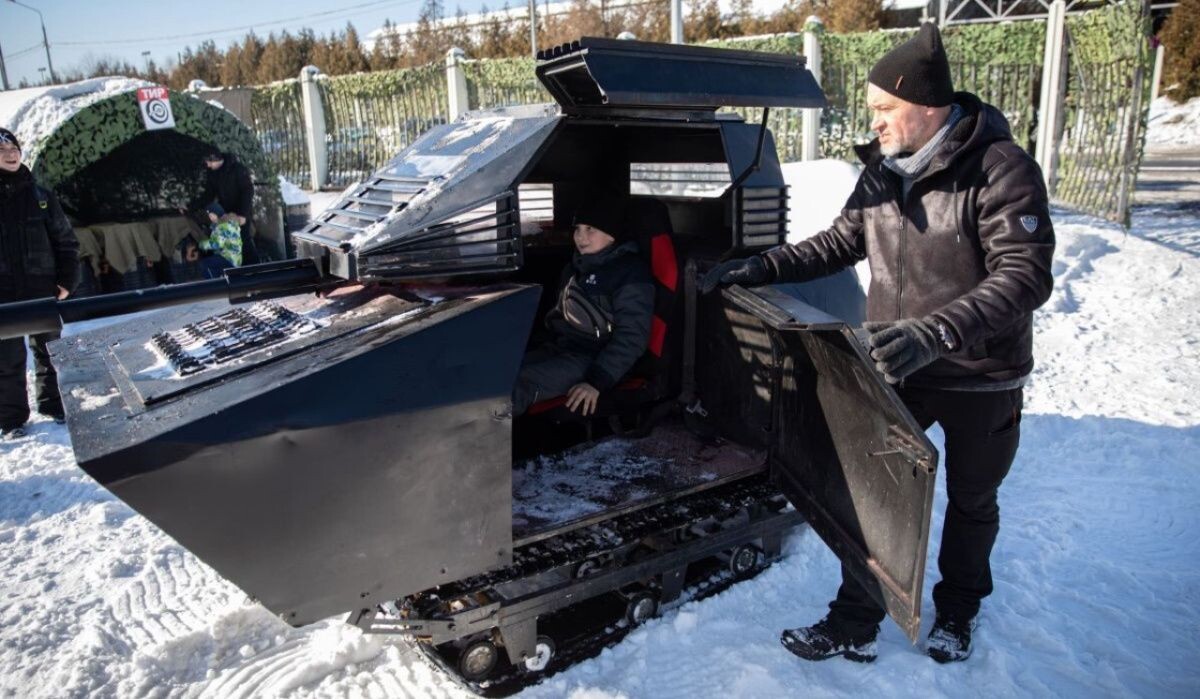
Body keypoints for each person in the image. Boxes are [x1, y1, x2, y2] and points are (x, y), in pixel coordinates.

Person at [702, 23, 1055, 664]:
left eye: (884, 108)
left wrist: (938, 331)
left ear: (925, 105)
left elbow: (1024, 275)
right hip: (897, 365)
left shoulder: (1001, 169)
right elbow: (840, 241)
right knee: (869, 491)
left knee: (974, 500)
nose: (876, 120)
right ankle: (856, 620)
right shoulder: (882, 173)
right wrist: (763, 266)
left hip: (981, 370)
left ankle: (958, 614)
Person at [512, 195, 654, 417]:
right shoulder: (575, 267)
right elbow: (559, 317)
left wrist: (596, 381)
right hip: (562, 348)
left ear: (613, 233)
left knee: (518, 385)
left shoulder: (630, 274)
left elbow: (633, 336)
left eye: (591, 229)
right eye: (577, 229)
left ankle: (478, 443)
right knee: (501, 372)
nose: (581, 237)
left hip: (595, 361)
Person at [0, 127, 79, 439]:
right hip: (3, 294)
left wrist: (67, 280)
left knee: (50, 352)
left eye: (14, 149)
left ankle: (54, 405)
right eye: (3, 152)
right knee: (7, 360)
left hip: (41, 288)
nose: (10, 155)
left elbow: (65, 241)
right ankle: (11, 420)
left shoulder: (41, 197)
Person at [184, 148, 258, 265]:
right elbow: (208, 194)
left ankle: (256, 269)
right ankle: (237, 270)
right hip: (226, 211)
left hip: (240, 211)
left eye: (209, 162)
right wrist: (190, 207)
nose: (207, 165)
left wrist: (243, 214)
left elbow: (247, 190)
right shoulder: (213, 173)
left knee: (244, 240)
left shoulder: (237, 169)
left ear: (216, 159)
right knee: (230, 243)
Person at [186, 203, 243, 279]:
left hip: (228, 258)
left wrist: (200, 245)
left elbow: (217, 243)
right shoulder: (226, 225)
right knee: (212, 264)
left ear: (217, 213)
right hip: (233, 258)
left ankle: (214, 285)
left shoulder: (223, 226)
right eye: (209, 215)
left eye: (211, 214)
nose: (210, 217)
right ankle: (221, 281)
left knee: (204, 264)